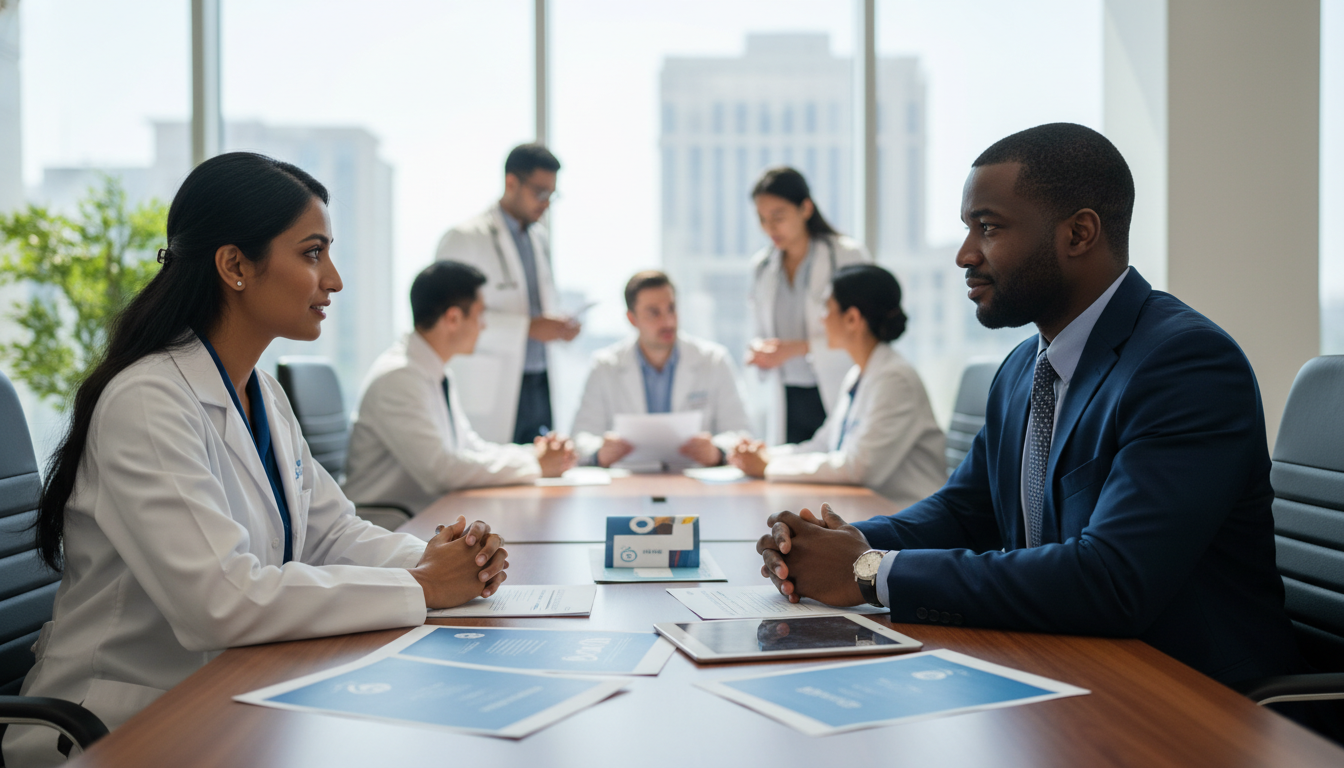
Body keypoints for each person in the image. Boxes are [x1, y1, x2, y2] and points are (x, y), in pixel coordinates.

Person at [755, 123, 1303, 690]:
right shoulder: (1023, 367)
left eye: (988, 228)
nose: (966, 253)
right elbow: (967, 512)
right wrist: (841, 544)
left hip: (1191, 696)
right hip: (1066, 667)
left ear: (1079, 233)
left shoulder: (1185, 364)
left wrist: (868, 572)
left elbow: (1112, 579)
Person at [5, 153, 509, 766]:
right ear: (235, 266)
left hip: (231, 694)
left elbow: (332, 533)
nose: (335, 280)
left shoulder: (260, 392)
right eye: (312, 253)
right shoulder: (148, 401)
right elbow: (222, 601)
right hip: (114, 726)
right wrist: (424, 585)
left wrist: (443, 562)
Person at [345, 260, 578, 513]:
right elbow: (441, 471)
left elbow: (471, 448)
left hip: (423, 515)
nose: (484, 325)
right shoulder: (398, 378)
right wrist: (537, 465)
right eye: (480, 314)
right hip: (390, 521)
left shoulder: (434, 372)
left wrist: (535, 455)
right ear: (453, 318)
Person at [731, 264, 945, 509]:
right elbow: (823, 445)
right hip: (871, 508)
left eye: (826, 307)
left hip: (908, 515)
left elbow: (858, 468)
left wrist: (769, 466)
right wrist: (767, 454)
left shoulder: (895, 380)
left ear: (852, 318)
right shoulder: (859, 374)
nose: (821, 318)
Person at [434, 143, 579, 444]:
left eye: (552, 195)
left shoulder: (539, 239)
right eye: (540, 193)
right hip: (493, 387)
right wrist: (528, 328)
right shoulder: (465, 238)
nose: (546, 203)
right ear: (511, 182)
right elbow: (446, 318)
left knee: (541, 471)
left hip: (540, 380)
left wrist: (559, 326)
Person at [572, 270, 751, 469]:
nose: (667, 322)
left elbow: (740, 431)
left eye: (671, 309)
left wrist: (717, 451)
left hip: (694, 482)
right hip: (629, 483)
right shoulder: (604, 366)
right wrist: (600, 452)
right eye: (654, 313)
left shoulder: (714, 361)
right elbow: (581, 437)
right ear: (632, 319)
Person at [746, 167, 872, 446]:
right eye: (762, 219)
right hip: (786, 395)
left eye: (778, 216)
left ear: (805, 208)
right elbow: (761, 328)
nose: (770, 228)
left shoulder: (845, 255)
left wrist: (798, 348)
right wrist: (760, 350)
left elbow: (864, 329)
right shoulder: (763, 267)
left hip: (834, 385)